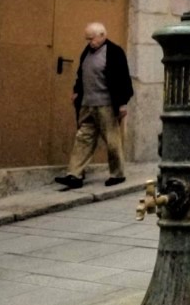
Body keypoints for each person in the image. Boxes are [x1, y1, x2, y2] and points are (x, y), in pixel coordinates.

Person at [55, 22, 133, 190]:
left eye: (92, 38)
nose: (89, 42)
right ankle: (74, 175)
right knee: (83, 138)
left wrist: (122, 104)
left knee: (112, 141)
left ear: (102, 35)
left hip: (106, 104)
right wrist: (77, 91)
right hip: (87, 104)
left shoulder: (114, 52)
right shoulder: (87, 52)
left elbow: (123, 79)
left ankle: (117, 174)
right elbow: (81, 74)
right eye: (87, 39)